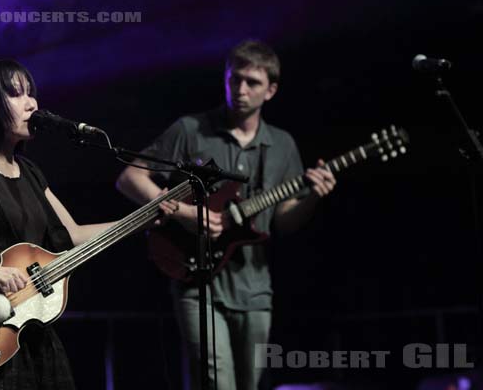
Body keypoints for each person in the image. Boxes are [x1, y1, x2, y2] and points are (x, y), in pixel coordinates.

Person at [0, 59, 177, 390]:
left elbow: (74, 235)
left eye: (30, 93)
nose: (32, 103)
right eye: (15, 94)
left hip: (33, 329)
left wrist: (144, 218)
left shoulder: (32, 173)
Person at [116, 40, 337, 390]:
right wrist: (184, 212)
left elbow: (283, 222)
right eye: (234, 80)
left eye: (252, 82)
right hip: (196, 279)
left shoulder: (283, 145)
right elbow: (130, 177)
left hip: (255, 289)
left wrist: (312, 199)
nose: (241, 90)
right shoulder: (191, 130)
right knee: (216, 383)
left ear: (272, 90)